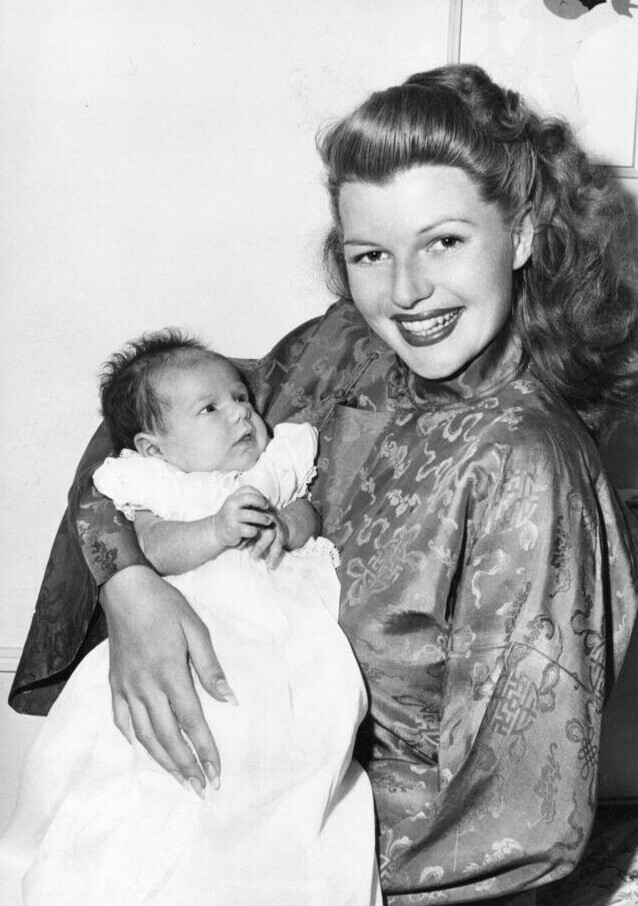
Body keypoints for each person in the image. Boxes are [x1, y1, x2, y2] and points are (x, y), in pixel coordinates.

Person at [9, 64, 638, 904]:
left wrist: (266, 863)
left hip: (342, 867)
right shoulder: (340, 348)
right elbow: (134, 449)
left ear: (520, 236)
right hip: (202, 812)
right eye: (371, 254)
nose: (406, 292)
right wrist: (131, 586)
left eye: (443, 241)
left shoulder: (528, 466)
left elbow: (510, 828)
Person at [0, 332, 381, 906]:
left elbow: (307, 511)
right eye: (210, 409)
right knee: (139, 766)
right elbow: (152, 548)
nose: (241, 414)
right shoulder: (159, 486)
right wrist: (216, 529)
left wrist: (286, 526)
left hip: (282, 637)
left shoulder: (274, 467)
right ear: (154, 449)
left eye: (241, 398)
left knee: (292, 747)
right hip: (184, 635)